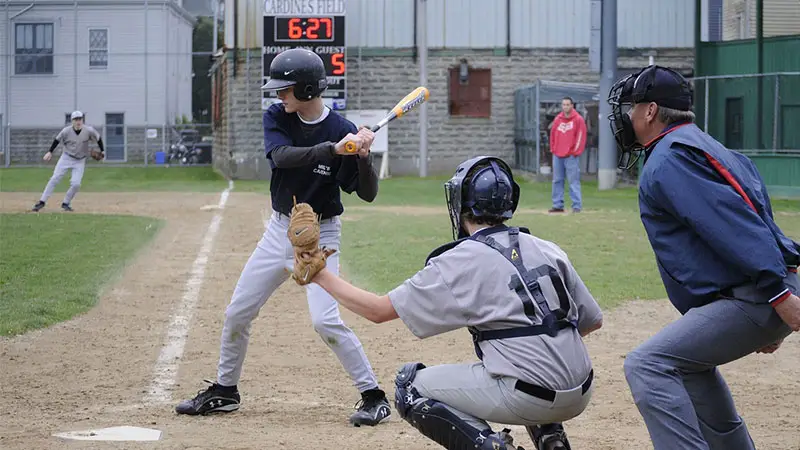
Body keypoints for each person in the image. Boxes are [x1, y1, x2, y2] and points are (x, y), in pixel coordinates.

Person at [290, 156, 604, 450]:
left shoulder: (460, 259)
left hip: (527, 396)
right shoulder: (546, 247)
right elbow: (591, 322)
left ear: (461, 204)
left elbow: (377, 310)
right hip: (582, 389)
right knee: (523, 357)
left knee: (410, 386)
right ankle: (552, 440)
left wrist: (319, 275)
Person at [175, 48, 393, 427]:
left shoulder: (341, 129)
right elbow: (281, 157)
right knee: (237, 312)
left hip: (321, 235)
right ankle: (226, 391)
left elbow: (368, 192)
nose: (279, 96)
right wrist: (334, 148)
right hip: (280, 229)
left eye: (286, 89)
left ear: (307, 89)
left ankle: (373, 396)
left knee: (325, 322)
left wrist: (361, 156)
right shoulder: (278, 117)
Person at [606, 64, 800, 450]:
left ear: (650, 111)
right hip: (760, 291)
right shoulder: (705, 144)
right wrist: (780, 287)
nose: (627, 116)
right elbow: (758, 216)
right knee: (688, 365)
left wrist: (777, 296)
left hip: (756, 293)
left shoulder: (670, 159)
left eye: (632, 107)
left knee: (648, 364)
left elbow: (733, 224)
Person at [31, 111, 105, 212]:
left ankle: (66, 203)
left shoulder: (88, 130)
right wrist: (50, 152)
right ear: (72, 121)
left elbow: (99, 138)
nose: (78, 121)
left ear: (82, 120)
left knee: (76, 184)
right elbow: (57, 140)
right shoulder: (66, 131)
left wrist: (103, 150)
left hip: (80, 160)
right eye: (76, 119)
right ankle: (42, 202)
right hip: (66, 157)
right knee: (55, 178)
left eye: (80, 119)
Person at [548, 97, 586, 214]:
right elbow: (553, 134)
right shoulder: (558, 119)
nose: (565, 107)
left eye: (568, 104)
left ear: (572, 106)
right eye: (564, 105)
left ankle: (576, 205)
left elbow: (581, 136)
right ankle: (557, 205)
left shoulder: (578, 119)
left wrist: (575, 151)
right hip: (557, 154)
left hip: (571, 155)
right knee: (557, 180)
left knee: (573, 181)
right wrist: (553, 149)